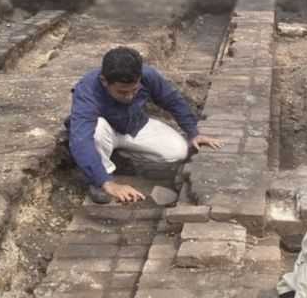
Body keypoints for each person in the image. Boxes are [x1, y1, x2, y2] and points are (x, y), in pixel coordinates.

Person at [67, 46, 222, 204]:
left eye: (134, 90)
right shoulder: (87, 90)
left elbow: (172, 100)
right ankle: (99, 179)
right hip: (104, 131)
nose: (129, 97)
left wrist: (193, 132)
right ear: (104, 81)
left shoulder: (148, 75)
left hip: (135, 125)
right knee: (97, 130)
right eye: (122, 92)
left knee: (178, 151)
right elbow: (81, 139)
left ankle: (119, 155)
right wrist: (107, 183)